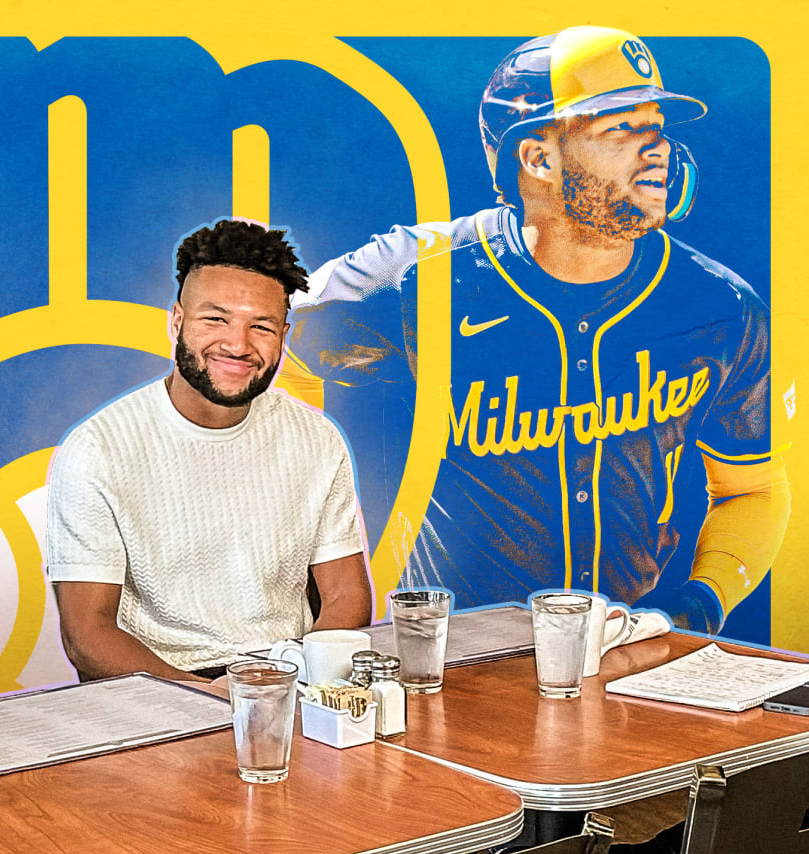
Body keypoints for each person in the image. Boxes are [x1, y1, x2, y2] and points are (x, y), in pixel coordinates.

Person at [287, 26, 788, 633]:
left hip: (620, 648)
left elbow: (752, 490)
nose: (656, 149)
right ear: (538, 158)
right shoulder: (413, 279)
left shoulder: (718, 305)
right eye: (620, 129)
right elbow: (255, 341)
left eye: (656, 127)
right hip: (447, 656)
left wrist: (701, 603)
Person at [46, 219, 373, 683]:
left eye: (260, 326)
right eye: (215, 319)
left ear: (283, 334)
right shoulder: (98, 450)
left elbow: (346, 596)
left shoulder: (316, 438)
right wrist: (215, 700)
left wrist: (293, 681)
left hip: (289, 677)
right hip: (161, 695)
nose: (237, 344)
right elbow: (86, 634)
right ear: (176, 320)